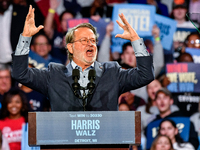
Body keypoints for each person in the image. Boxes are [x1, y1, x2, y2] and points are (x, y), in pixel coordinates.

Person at [12, 5, 154, 111]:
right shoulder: (53, 74)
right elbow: (21, 73)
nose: (90, 44)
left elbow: (145, 75)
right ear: (70, 48)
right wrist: (25, 38)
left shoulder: (112, 72)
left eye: (93, 40)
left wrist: (136, 40)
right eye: (84, 40)